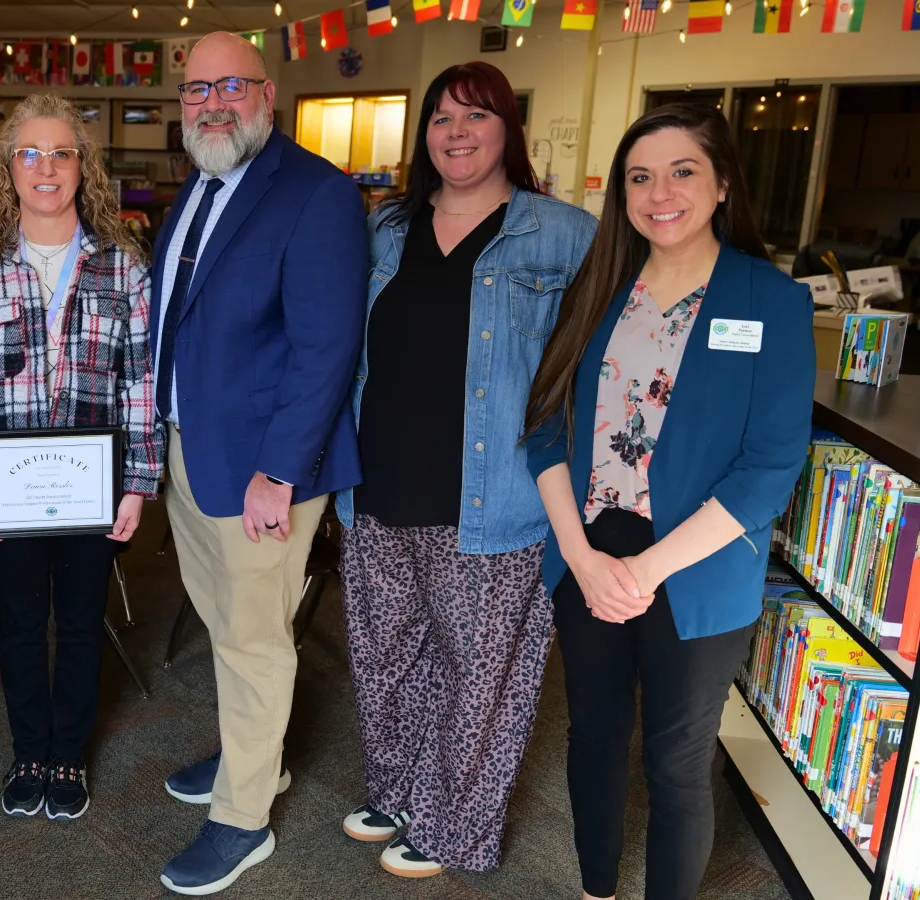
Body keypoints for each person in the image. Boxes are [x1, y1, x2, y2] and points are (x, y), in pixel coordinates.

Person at [522, 103, 814, 900]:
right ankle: (595, 887)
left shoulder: (773, 302)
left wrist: (644, 570)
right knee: (595, 737)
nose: (660, 193)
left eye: (683, 171)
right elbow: (544, 430)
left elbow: (769, 467)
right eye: (640, 177)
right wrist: (583, 559)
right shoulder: (597, 290)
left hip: (701, 562)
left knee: (677, 764)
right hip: (588, 555)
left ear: (722, 183)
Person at [333, 61, 598, 878]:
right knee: (384, 656)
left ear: (506, 132)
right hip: (377, 483)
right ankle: (402, 786)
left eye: (476, 117)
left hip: (494, 497)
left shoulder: (561, 233)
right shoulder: (384, 227)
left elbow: (591, 364)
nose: (457, 132)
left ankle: (455, 827)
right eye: (442, 117)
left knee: (479, 676)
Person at [154, 32, 367, 896]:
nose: (211, 102)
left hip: (259, 471)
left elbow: (325, 350)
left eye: (230, 85)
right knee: (230, 626)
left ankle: (244, 821)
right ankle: (261, 758)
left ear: (267, 94)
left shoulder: (316, 193)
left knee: (252, 641)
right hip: (192, 448)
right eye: (195, 89)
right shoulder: (202, 184)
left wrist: (279, 473)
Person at [0, 93, 162, 822]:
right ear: (7, 169)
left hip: (96, 492)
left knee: (82, 619)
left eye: (62, 152)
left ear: (82, 167)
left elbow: (141, 382)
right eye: (29, 153)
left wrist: (137, 484)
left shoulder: (122, 265)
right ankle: (29, 750)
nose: (46, 167)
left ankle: (70, 752)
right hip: (10, 493)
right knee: (23, 624)